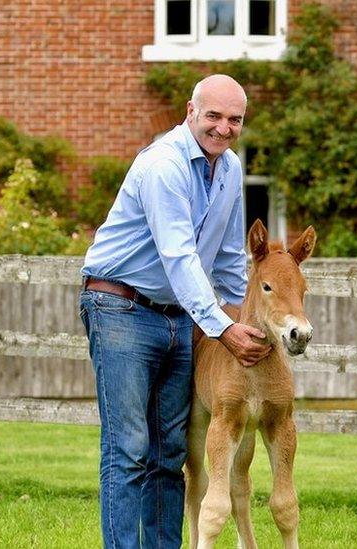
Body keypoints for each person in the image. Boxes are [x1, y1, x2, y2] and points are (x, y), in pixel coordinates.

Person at [79, 74, 271, 548]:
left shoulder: (228, 169)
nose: (224, 128)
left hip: (177, 317)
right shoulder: (164, 165)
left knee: (170, 453)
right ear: (190, 112)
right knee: (129, 449)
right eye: (214, 116)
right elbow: (180, 258)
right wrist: (223, 329)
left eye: (235, 120)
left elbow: (227, 260)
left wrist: (243, 321)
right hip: (119, 307)